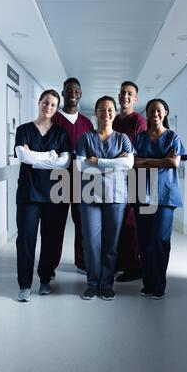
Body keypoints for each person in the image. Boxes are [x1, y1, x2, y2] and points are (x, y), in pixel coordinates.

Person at [14, 89, 71, 302]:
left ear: (56, 109)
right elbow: (22, 155)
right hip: (29, 194)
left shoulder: (61, 134)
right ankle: (25, 285)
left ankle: (45, 279)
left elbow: (64, 162)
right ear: (39, 102)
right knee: (26, 240)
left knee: (50, 239)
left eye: (53, 105)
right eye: (46, 102)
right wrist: (49, 156)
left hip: (54, 194)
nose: (48, 107)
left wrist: (33, 157)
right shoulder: (24, 130)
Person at [76, 96, 134, 300]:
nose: (106, 113)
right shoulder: (86, 138)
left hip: (116, 196)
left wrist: (98, 161)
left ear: (115, 113)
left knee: (111, 243)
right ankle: (92, 284)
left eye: (110, 110)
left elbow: (128, 165)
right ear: (96, 113)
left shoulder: (123, 138)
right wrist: (113, 164)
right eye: (102, 109)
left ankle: (107, 284)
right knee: (91, 243)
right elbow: (80, 166)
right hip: (89, 196)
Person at [133, 98, 187, 299]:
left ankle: (158, 286)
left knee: (159, 241)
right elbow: (132, 163)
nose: (155, 114)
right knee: (144, 241)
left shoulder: (174, 137)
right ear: (146, 114)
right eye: (151, 111)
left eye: (159, 111)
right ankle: (147, 284)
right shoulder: (138, 138)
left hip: (165, 196)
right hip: (142, 194)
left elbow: (173, 164)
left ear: (165, 113)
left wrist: (145, 161)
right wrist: (160, 161)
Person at [53, 78, 93, 272]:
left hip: (82, 181)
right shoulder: (54, 119)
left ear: (80, 95)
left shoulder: (87, 122)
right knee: (56, 224)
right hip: (58, 180)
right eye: (68, 90)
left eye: (76, 91)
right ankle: (50, 264)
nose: (72, 94)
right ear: (62, 93)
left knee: (82, 223)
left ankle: (82, 261)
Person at [112, 81, 147, 282]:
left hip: (133, 178)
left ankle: (134, 266)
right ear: (119, 96)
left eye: (130, 93)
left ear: (135, 98)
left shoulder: (138, 121)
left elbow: (135, 151)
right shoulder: (115, 120)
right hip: (115, 178)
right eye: (123, 92)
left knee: (129, 224)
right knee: (117, 222)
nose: (125, 96)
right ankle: (120, 261)